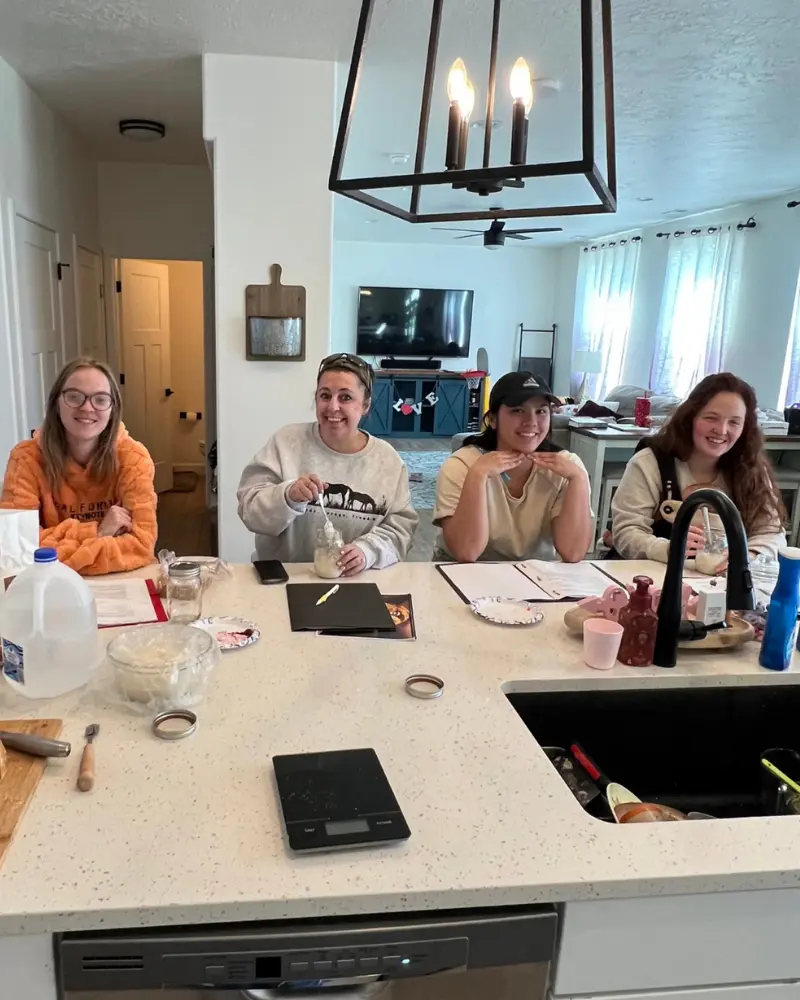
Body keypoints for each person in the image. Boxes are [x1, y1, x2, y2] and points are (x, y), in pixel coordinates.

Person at [237, 353, 418, 573]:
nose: (333, 407)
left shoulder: (388, 461)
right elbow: (249, 509)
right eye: (325, 395)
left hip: (356, 580)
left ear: (365, 405)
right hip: (283, 577)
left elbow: (401, 529)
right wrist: (288, 496)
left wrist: (367, 551)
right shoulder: (285, 442)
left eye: (345, 397)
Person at [610, 372, 786, 567]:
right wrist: (669, 549)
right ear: (690, 417)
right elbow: (626, 532)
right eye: (711, 418)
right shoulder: (649, 463)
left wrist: (747, 557)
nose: (722, 430)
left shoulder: (752, 469)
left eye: (734, 422)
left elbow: (771, 533)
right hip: (655, 575)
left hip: (724, 579)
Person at [1, 357, 157, 575]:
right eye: (74, 396)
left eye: (100, 400)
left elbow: (141, 545)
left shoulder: (134, 459)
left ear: (113, 409)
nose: (87, 408)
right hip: (50, 584)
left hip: (122, 579)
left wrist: (53, 552)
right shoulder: (25, 459)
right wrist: (98, 532)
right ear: (56, 403)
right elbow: (17, 548)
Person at [434, 371, 593, 562]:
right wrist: (477, 476)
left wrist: (579, 479)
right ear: (493, 419)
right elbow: (466, 552)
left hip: (535, 573)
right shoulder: (462, 464)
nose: (531, 422)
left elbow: (573, 552)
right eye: (517, 410)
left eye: (541, 411)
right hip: (463, 572)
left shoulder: (568, 467)